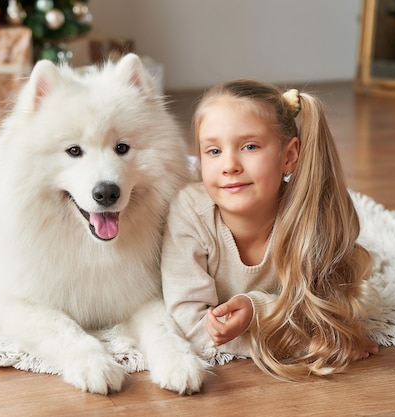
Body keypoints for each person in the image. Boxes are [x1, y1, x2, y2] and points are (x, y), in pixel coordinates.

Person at [161, 79, 379, 381]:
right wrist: (296, 339)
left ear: (289, 156)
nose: (229, 165)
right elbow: (190, 319)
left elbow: (333, 310)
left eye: (249, 146)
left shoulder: (311, 215)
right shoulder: (189, 211)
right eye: (213, 151)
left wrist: (255, 310)